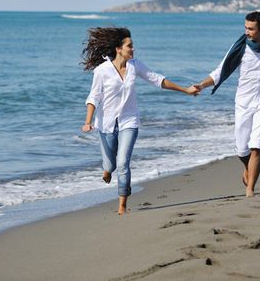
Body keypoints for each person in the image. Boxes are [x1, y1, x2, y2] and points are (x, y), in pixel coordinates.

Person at [81, 27, 199, 214]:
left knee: (122, 163)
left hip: (129, 121)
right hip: (106, 124)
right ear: (118, 49)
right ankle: (106, 168)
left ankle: (122, 205)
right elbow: (93, 97)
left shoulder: (135, 66)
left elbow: (157, 80)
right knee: (111, 165)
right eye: (130, 46)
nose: (133, 49)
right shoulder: (102, 71)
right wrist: (88, 121)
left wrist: (185, 89)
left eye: (133, 46)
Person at [194, 11, 260, 197]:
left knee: (257, 145)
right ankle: (248, 168)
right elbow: (219, 71)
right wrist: (202, 85)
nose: (246, 32)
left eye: (251, 29)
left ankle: (250, 190)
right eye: (245, 27)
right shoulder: (241, 47)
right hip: (243, 102)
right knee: (242, 150)